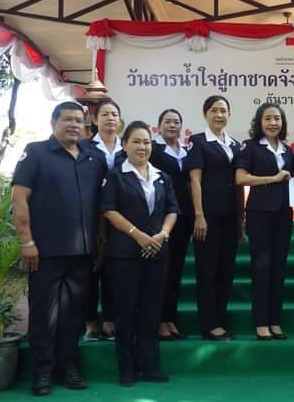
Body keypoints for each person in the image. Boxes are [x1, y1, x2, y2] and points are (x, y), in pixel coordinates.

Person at [11, 101, 107, 396]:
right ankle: (42, 372)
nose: (74, 125)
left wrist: (100, 244)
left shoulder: (94, 158)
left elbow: (102, 205)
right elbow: (19, 199)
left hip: (82, 252)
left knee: (73, 314)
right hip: (45, 251)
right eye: (68, 120)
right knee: (44, 314)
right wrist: (27, 241)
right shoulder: (36, 153)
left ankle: (68, 367)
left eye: (79, 120)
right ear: (54, 123)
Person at [101, 121, 179, 386]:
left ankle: (149, 366)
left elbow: (172, 210)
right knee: (125, 311)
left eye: (146, 142)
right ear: (124, 145)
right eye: (136, 141)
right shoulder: (115, 176)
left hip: (157, 252)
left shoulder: (162, 177)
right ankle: (127, 369)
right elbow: (109, 211)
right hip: (125, 254)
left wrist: (162, 234)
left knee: (151, 311)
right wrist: (138, 235)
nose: (142, 146)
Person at [186, 95, 243, 341]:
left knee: (226, 271)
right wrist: (199, 215)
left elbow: (239, 184)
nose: (219, 115)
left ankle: (220, 319)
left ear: (229, 114)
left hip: (230, 217)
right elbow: (194, 180)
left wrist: (240, 220)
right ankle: (209, 324)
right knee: (207, 272)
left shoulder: (235, 145)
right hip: (207, 217)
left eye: (223, 110)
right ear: (205, 114)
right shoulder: (198, 142)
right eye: (213, 110)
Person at [236, 103, 294, 341]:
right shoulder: (250, 147)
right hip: (259, 213)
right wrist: (273, 178)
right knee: (261, 267)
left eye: (277, 119)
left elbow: (291, 177)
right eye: (268, 118)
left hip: (283, 213)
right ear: (259, 122)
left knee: (279, 267)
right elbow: (240, 178)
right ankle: (260, 321)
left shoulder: (287, 150)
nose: (273, 123)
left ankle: (275, 320)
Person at [150, 109, 193, 341]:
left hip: (184, 217)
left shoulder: (186, 151)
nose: (172, 125)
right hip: (162, 217)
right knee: (162, 271)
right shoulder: (153, 149)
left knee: (176, 270)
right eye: (167, 121)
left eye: (176, 122)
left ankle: (170, 319)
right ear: (159, 125)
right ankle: (158, 321)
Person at [82, 99, 123, 343]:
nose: (110, 118)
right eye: (105, 114)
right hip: (90, 217)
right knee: (91, 271)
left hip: (118, 217)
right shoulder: (84, 147)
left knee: (113, 272)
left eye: (114, 114)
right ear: (95, 120)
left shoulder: (127, 148)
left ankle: (110, 321)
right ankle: (90, 324)